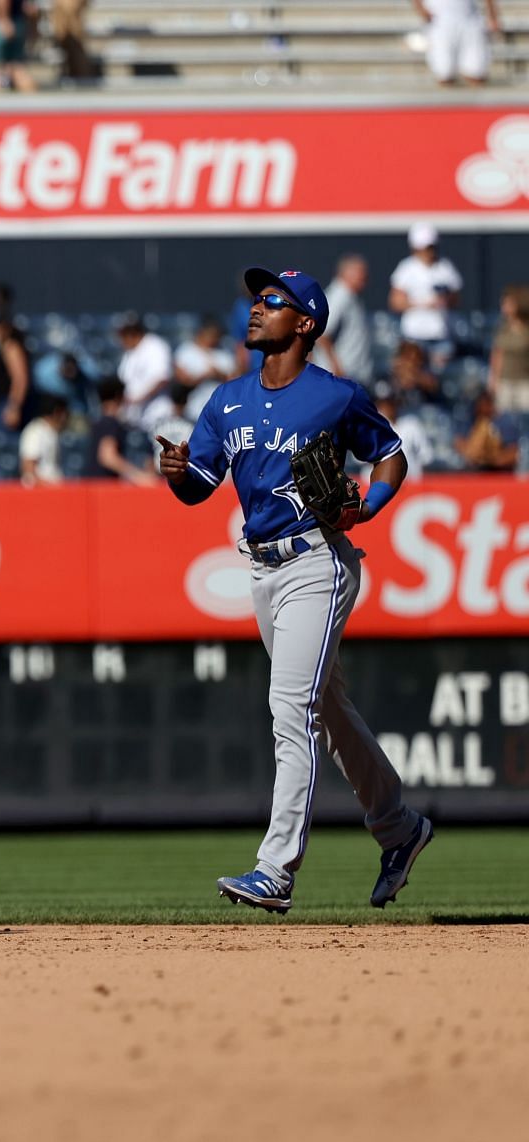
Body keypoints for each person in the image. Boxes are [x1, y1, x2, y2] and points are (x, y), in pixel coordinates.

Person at [156, 265, 432, 915]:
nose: (256, 308)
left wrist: (367, 505)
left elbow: (390, 453)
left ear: (305, 323)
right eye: (255, 299)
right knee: (327, 713)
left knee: (290, 708)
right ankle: (400, 828)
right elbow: (199, 486)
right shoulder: (226, 401)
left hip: (318, 560)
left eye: (272, 301)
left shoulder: (335, 396)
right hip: (263, 568)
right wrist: (176, 473)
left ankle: (275, 869)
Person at [388, 223, 462, 361]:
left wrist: (444, 300)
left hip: (440, 335)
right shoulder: (406, 268)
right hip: (414, 335)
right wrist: (423, 304)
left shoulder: (445, 267)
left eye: (431, 247)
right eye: (425, 248)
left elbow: (456, 298)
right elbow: (395, 302)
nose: (429, 252)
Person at [314, 255, 373, 383]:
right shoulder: (339, 296)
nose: (365, 276)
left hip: (352, 374)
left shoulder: (351, 296)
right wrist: (337, 368)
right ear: (346, 273)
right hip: (340, 376)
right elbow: (322, 334)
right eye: (360, 272)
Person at [414, 0, 502, 86]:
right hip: (439, 20)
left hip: (469, 18)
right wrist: (421, 10)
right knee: (444, 73)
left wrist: (493, 17)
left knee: (476, 73)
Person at [90, 375, 153, 484]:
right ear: (118, 396)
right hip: (104, 487)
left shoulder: (97, 422)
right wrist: (140, 477)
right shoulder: (110, 423)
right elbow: (108, 457)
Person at [173, 317, 238, 420]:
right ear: (202, 333)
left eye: (217, 336)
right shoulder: (186, 350)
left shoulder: (224, 354)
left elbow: (235, 381)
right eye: (211, 335)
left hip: (220, 410)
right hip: (193, 409)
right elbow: (181, 380)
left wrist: (218, 374)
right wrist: (203, 376)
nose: (214, 339)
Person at [114, 312, 172, 427]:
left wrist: (138, 399)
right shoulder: (129, 354)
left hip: (156, 416)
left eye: (123, 334)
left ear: (132, 332)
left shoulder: (155, 346)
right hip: (136, 419)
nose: (120, 339)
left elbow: (162, 378)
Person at [488, 285, 529, 440]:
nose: (504, 307)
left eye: (508, 303)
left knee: (526, 426)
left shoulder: (527, 330)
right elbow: (497, 355)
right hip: (505, 383)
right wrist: (493, 381)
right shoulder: (502, 329)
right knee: (504, 425)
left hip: (525, 383)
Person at [0, 0, 37, 93]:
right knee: (17, 69)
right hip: (17, 22)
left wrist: (3, 19)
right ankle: (30, 103)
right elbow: (30, 8)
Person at [16, 393, 66, 485]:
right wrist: (48, 487)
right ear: (57, 412)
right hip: (40, 493)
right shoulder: (35, 431)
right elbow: (28, 468)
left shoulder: (53, 432)